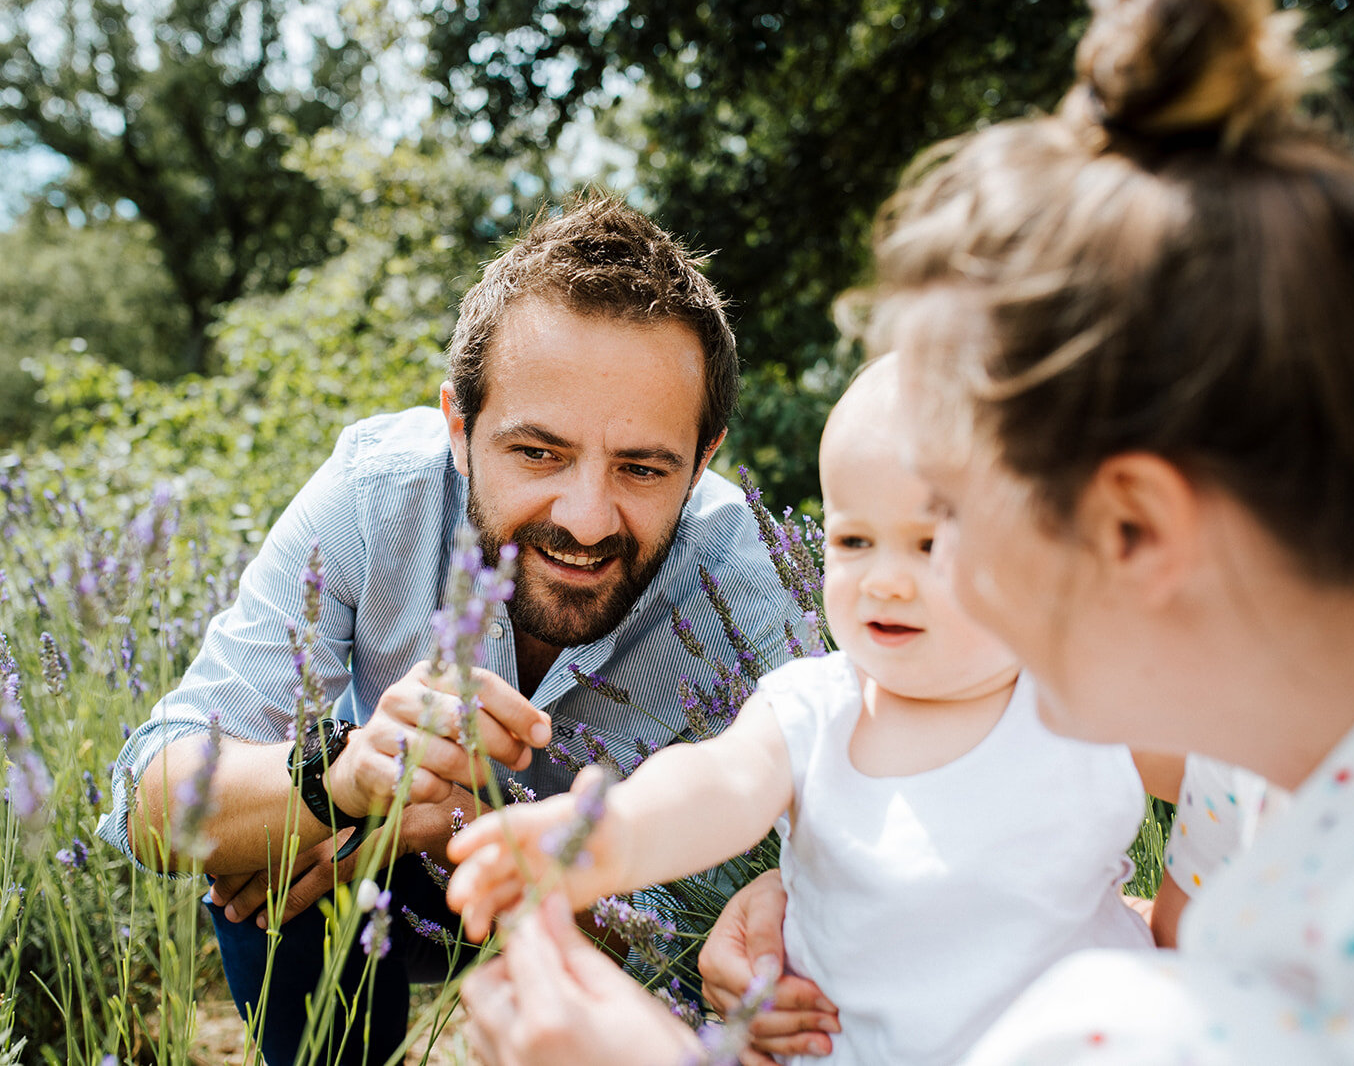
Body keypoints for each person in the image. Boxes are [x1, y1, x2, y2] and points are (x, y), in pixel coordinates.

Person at [457, 0, 1354, 1061]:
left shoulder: (1141, 1024)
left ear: (1135, 528)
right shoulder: (1269, 769)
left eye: (970, 526)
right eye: (860, 537)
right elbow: (1195, 943)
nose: (925, 579)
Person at [94, 196, 799, 1065]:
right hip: (367, 873)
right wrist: (342, 781)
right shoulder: (372, 490)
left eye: (643, 467)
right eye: (538, 452)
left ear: (704, 459)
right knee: (266, 845)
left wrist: (475, 826)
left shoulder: (755, 593)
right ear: (459, 429)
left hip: (595, 923)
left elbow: (706, 927)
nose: (584, 519)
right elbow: (151, 799)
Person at [447, 355, 1159, 1066]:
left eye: (930, 545)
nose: (884, 580)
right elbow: (718, 783)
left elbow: (1242, 798)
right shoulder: (820, 708)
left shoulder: (1092, 705)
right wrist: (608, 837)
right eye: (854, 541)